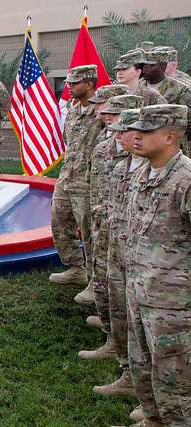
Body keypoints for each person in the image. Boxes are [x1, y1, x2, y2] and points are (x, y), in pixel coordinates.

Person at [124, 104, 191, 426]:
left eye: (146, 132)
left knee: (175, 383)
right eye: (136, 129)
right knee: (142, 365)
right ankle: (152, 419)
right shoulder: (142, 173)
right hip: (140, 290)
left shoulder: (186, 180)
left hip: (174, 305)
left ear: (170, 136)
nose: (136, 136)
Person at [78, 94, 143, 362]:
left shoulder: (153, 166)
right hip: (106, 229)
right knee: (106, 285)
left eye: (118, 122)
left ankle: (127, 355)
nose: (111, 127)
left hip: (140, 249)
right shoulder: (110, 152)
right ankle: (113, 338)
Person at [91, 108, 145, 412]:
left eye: (122, 128)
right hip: (115, 245)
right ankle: (125, 367)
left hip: (154, 268)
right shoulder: (123, 166)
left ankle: (159, 405)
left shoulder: (176, 175)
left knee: (148, 331)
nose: (117, 133)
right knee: (117, 306)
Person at [49, 65, 101, 287]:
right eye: (68, 83)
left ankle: (95, 281)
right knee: (59, 222)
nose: (68, 87)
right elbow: (68, 143)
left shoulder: (100, 113)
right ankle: (75, 268)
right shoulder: (73, 111)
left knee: (90, 232)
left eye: (73, 83)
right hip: (67, 177)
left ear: (89, 84)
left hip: (88, 181)